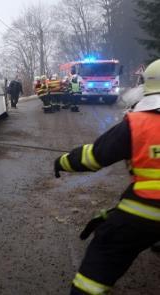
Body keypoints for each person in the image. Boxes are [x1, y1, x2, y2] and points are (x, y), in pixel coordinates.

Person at [54, 59, 160, 295]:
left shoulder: (139, 123)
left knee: (104, 253)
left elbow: (95, 157)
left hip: (146, 214)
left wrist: (62, 161)